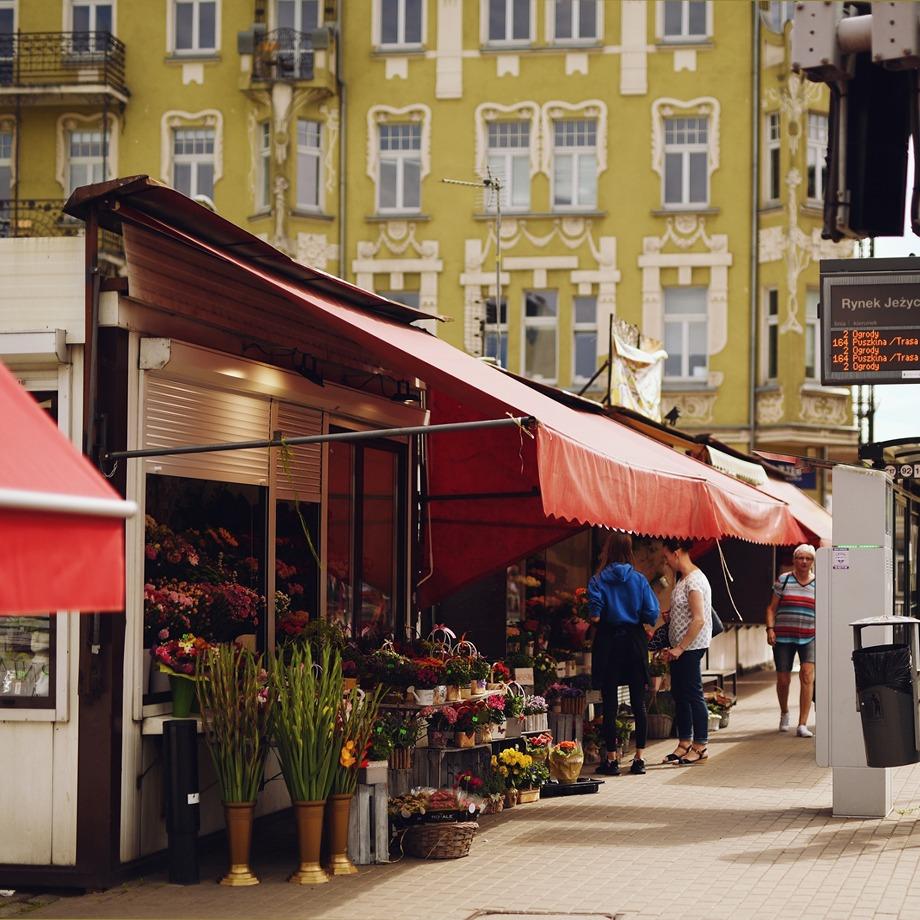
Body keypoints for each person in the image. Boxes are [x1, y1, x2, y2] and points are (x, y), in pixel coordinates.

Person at [588, 532, 660, 776]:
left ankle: (612, 760)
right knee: (638, 702)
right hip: (634, 642)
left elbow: (595, 616)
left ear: (608, 549)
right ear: (629, 551)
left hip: (608, 641)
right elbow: (651, 615)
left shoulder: (598, 580)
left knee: (610, 703)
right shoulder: (639, 580)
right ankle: (639, 759)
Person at [661, 537, 713, 766]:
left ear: (677, 553)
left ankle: (700, 745)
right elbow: (687, 613)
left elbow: (699, 619)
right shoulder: (683, 579)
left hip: (690, 647)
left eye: (666, 557)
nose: (665, 562)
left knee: (693, 695)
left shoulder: (694, 580)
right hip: (680, 647)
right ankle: (684, 743)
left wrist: (680, 648)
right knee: (680, 695)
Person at [765, 543, 816, 737]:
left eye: (808, 558)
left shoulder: (819, 583)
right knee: (783, 679)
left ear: (812, 562)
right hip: (783, 636)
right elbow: (771, 608)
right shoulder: (783, 580)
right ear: (794, 560)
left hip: (809, 635)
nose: (804, 562)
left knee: (807, 675)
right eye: (800, 558)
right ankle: (784, 712)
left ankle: (802, 724)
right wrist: (770, 629)